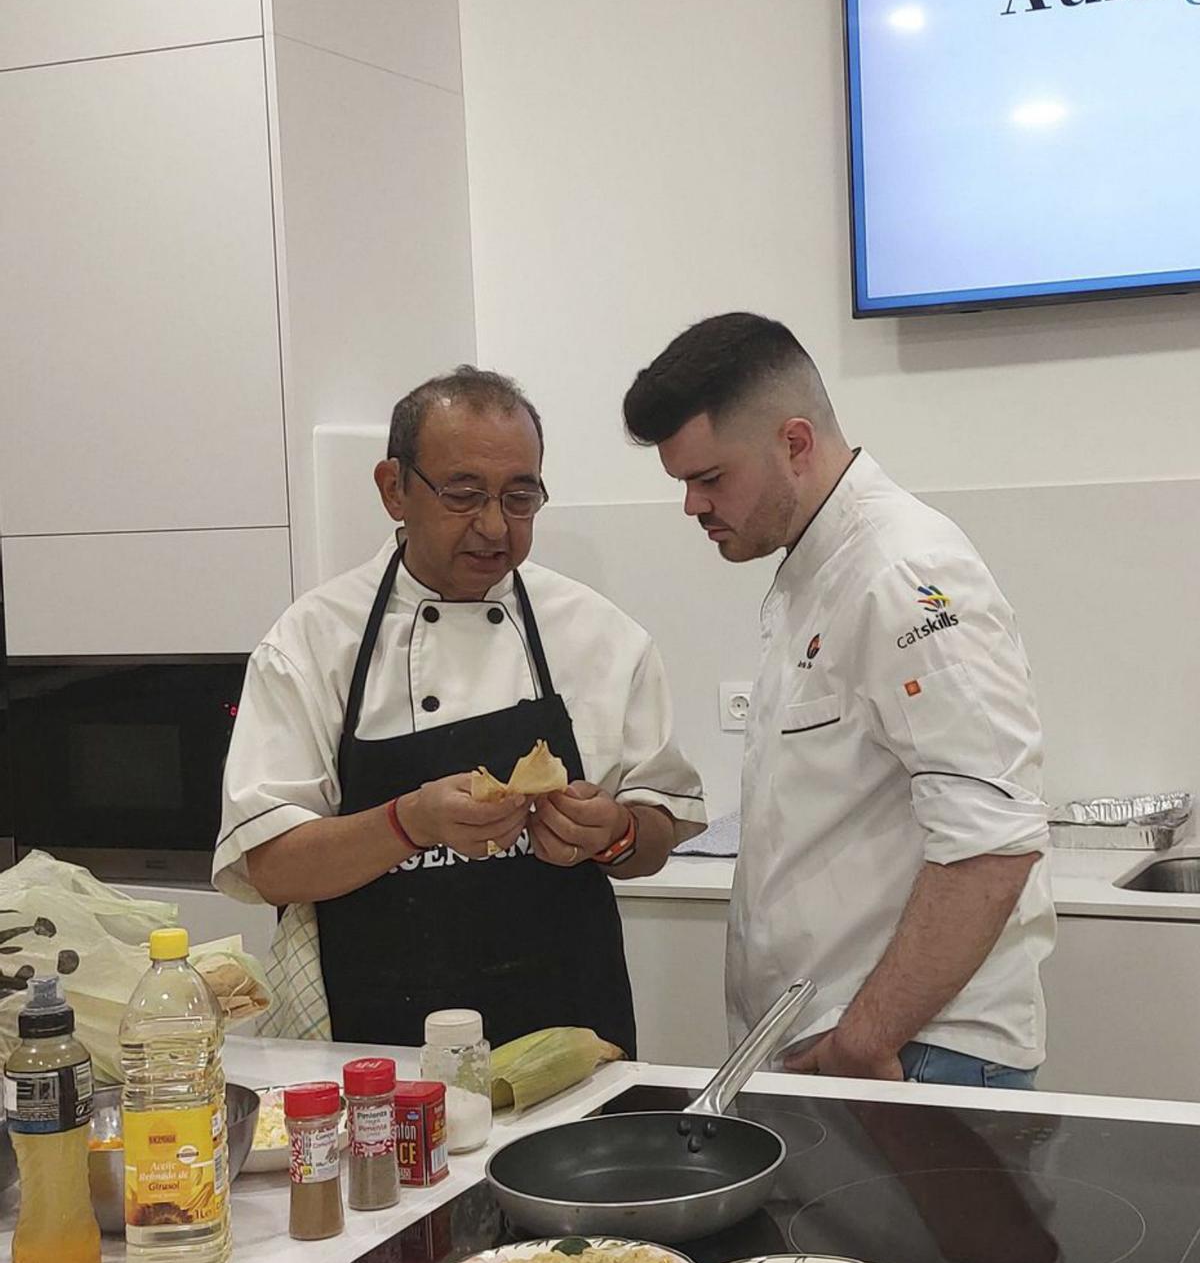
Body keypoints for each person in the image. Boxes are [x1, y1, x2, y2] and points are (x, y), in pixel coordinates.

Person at [215, 365, 706, 1053]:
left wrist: (616, 833)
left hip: (568, 1046)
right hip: (377, 1062)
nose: (494, 526)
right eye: (463, 494)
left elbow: (658, 831)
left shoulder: (600, 636)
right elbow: (268, 865)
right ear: (394, 489)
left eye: (520, 497)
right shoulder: (313, 641)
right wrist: (409, 821)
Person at [623, 313, 1055, 1088]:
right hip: (848, 1046)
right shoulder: (817, 569)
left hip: (915, 1055)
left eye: (710, 478)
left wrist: (865, 1038)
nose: (692, 505)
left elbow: (993, 842)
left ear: (795, 443)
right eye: (682, 482)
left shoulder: (902, 573)